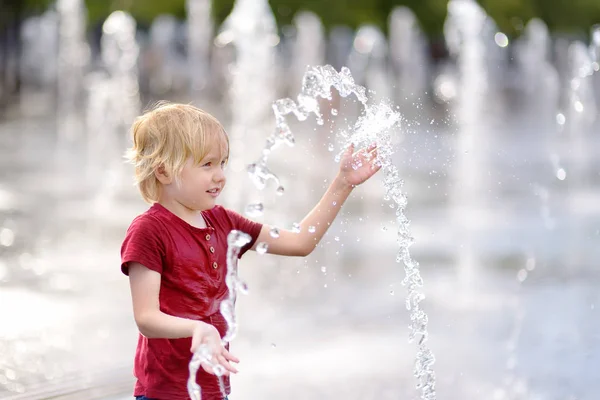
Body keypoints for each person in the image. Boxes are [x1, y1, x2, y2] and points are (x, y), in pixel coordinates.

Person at [120, 102, 380, 400]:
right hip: (164, 393)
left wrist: (342, 184)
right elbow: (146, 318)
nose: (220, 175)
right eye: (207, 164)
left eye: (222, 164)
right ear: (164, 171)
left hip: (214, 389)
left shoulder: (224, 222)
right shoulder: (149, 230)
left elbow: (300, 242)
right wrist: (198, 329)